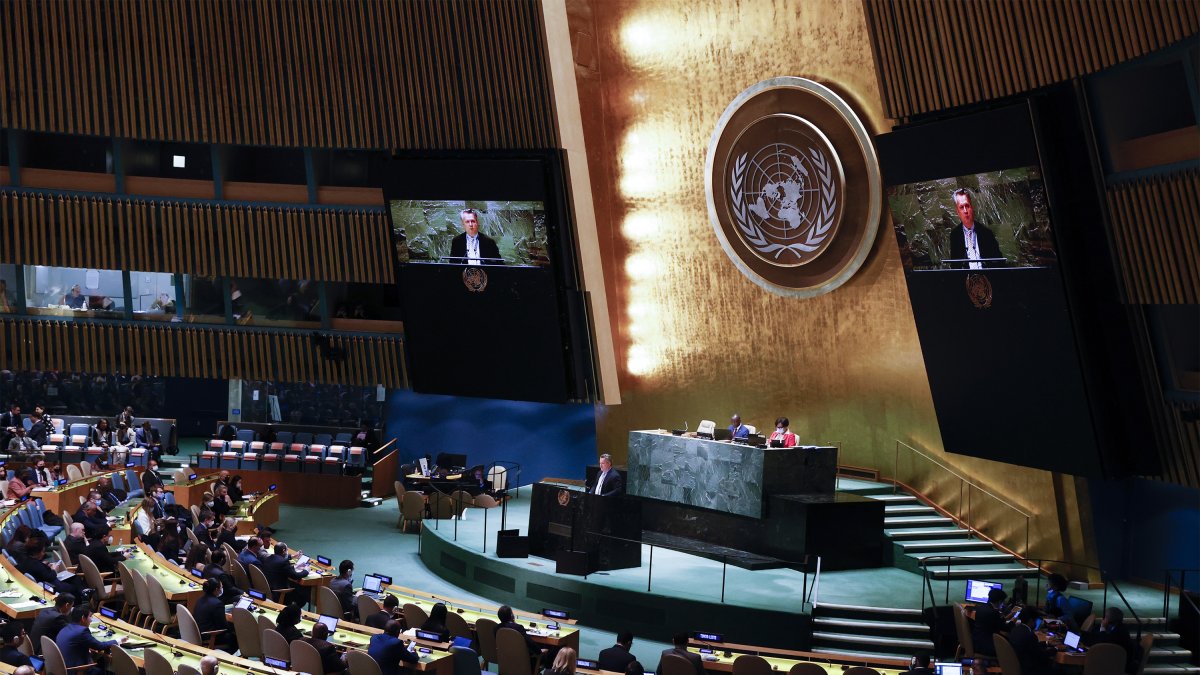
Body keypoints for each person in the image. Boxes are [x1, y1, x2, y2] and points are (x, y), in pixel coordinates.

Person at [948, 188, 1003, 270]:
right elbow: (955, 266)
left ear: (972, 207)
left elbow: (998, 262)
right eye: (961, 207)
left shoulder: (986, 233)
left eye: (967, 206)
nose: (965, 211)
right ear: (958, 212)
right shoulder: (955, 235)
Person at [57, 607, 123, 675]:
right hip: (77, 671)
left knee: (101, 660)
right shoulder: (82, 631)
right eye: (90, 617)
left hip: (63, 669)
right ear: (83, 618)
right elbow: (100, 646)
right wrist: (119, 640)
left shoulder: (65, 628)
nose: (91, 620)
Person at [1084, 607, 1138, 674]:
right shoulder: (1112, 626)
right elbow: (1095, 635)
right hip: (1108, 659)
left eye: (1106, 616)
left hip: (1116, 664)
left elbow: (1103, 642)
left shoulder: (1121, 631)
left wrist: (1103, 627)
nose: (1104, 618)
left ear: (1108, 619)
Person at [194, 578, 237, 652]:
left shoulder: (200, 599)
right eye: (221, 587)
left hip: (199, 632)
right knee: (235, 637)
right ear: (216, 589)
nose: (222, 589)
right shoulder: (217, 603)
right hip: (210, 636)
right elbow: (223, 626)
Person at [1007, 608, 1053, 675]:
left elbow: (1031, 646)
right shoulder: (1029, 635)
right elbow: (1041, 655)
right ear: (1031, 620)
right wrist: (1056, 649)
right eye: (1036, 620)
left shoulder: (1015, 629)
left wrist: (1047, 643)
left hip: (1018, 665)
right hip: (1029, 670)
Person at [263, 542, 310, 606]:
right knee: (303, 596)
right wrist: (306, 571)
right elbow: (296, 576)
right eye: (287, 550)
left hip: (269, 589)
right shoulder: (284, 562)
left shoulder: (268, 558)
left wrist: (295, 566)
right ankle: (291, 610)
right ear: (283, 550)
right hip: (280, 593)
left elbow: (282, 567)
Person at [971, 588, 1010, 656]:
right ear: (999, 601)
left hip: (977, 642)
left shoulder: (981, 608)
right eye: (1003, 602)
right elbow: (1004, 628)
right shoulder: (994, 612)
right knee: (1010, 646)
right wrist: (1014, 622)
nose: (1003, 604)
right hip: (987, 646)